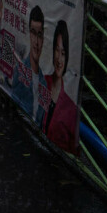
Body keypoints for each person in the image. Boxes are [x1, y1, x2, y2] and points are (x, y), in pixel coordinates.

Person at [42, 20, 79, 153]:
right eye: (57, 51)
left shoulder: (71, 108)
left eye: (63, 53)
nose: (59, 59)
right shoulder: (41, 81)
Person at [11, 5, 49, 125]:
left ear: (43, 38)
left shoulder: (44, 83)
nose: (36, 42)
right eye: (33, 33)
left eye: (40, 34)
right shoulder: (20, 70)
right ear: (29, 34)